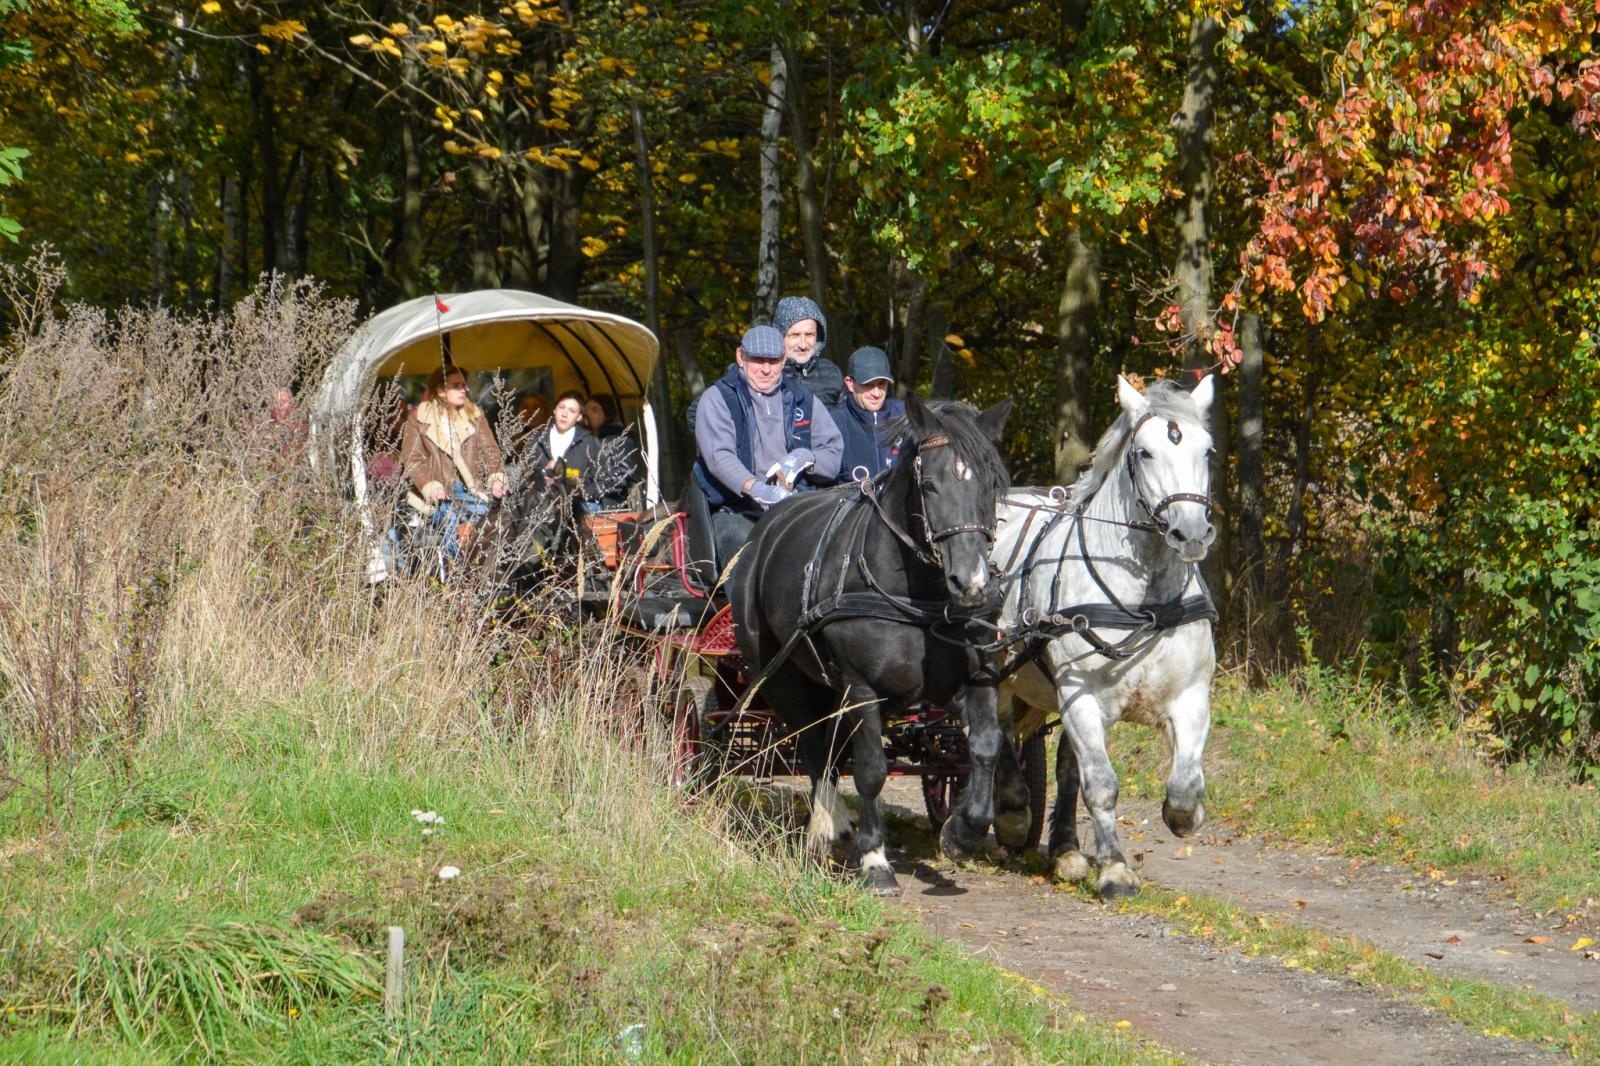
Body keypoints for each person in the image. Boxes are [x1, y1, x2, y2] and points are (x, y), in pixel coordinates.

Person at [692, 325, 843, 571]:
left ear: (784, 359)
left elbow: (833, 453)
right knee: (743, 555)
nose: (765, 369)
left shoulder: (803, 399)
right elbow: (719, 456)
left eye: (772, 361)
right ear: (741, 357)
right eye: (757, 360)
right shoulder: (718, 398)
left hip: (798, 505)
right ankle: (745, 610)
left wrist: (806, 458)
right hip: (736, 510)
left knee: (835, 552)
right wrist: (756, 488)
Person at [401, 364, 508, 561]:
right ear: (441, 390)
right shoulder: (419, 418)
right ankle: (456, 570)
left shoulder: (474, 415)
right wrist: (429, 485)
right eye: (456, 385)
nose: (463, 390)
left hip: (472, 491)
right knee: (448, 520)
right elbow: (412, 459)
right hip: (438, 495)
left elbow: (489, 450)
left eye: (464, 385)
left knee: (494, 520)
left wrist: (495, 477)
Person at [830, 345, 906, 482]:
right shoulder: (832, 422)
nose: (876, 393)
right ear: (850, 383)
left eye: (882, 384)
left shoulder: (904, 415)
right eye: (868, 384)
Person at [773, 295, 845, 409]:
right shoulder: (765, 373)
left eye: (809, 335)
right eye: (795, 335)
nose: (803, 344)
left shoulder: (832, 373)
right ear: (780, 336)